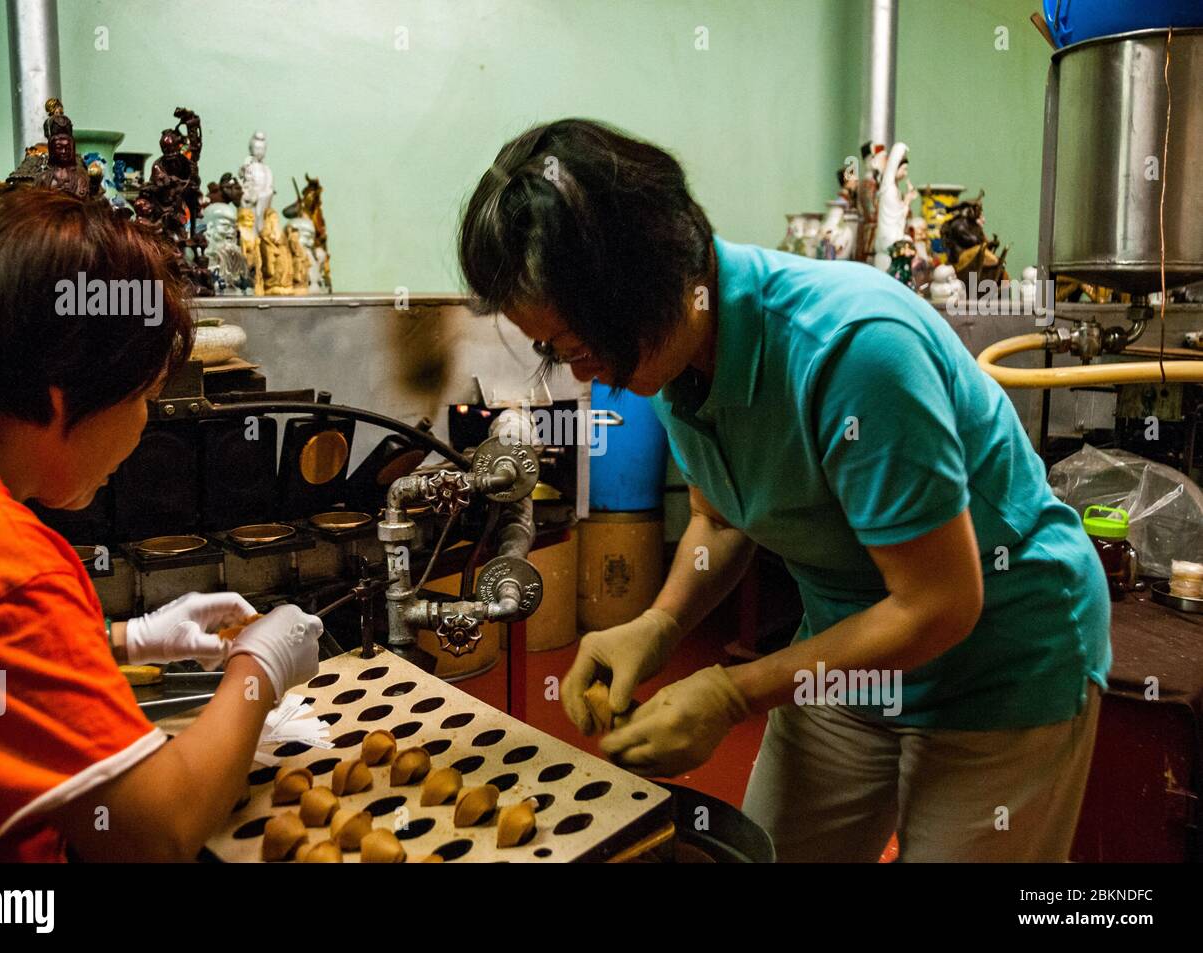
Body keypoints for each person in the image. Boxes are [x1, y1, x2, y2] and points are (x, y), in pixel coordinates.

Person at [457, 119, 1111, 862]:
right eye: (559, 351)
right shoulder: (673, 357)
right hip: (850, 647)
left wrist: (735, 691)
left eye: (584, 346)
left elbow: (938, 602)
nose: (582, 373)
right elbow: (722, 518)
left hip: (999, 658)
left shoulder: (855, 351)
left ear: (650, 286)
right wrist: (661, 624)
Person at [0, 189, 323, 861]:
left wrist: (120, 640)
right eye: (145, 400)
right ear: (61, 394)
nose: (145, 426)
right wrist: (259, 668)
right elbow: (155, 828)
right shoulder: (1, 560)